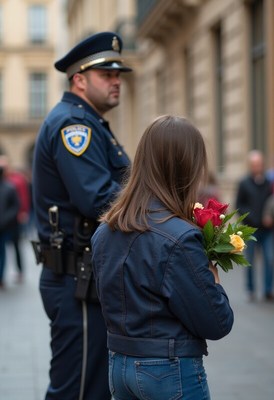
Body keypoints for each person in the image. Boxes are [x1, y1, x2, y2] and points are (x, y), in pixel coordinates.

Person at [91, 115, 234, 400]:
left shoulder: (105, 231)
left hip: (119, 365)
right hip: (167, 369)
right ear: (188, 167)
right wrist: (213, 278)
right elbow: (217, 323)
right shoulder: (180, 238)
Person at [32, 31, 132, 400]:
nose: (116, 81)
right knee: (76, 391)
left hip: (85, 278)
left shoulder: (90, 123)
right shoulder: (75, 127)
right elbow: (100, 198)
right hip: (77, 281)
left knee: (93, 388)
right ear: (79, 79)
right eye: (107, 74)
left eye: (118, 74)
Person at [235, 150, 273, 301]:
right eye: (254, 164)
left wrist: (270, 216)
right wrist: (251, 217)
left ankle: (268, 290)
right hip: (250, 229)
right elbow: (239, 205)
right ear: (250, 166)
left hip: (268, 229)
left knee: (270, 259)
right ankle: (250, 290)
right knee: (249, 260)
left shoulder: (269, 183)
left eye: (260, 164)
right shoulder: (244, 183)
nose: (257, 167)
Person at [0, 156, 20, 288]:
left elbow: (16, 206)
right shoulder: (10, 187)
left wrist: (5, 220)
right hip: (6, 224)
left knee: (6, 250)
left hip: (6, 226)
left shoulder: (10, 187)